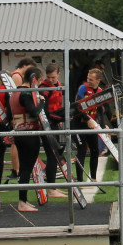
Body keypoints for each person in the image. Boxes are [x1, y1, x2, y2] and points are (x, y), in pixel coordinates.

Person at [8, 65, 43, 213]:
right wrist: (42, 101)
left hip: (19, 133)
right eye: (39, 81)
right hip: (28, 133)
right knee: (26, 169)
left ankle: (24, 200)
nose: (40, 84)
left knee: (24, 168)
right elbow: (34, 112)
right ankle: (22, 201)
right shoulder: (26, 94)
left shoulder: (14, 93)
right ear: (34, 79)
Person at [38, 62, 69, 198]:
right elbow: (44, 111)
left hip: (55, 122)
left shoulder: (58, 85)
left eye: (53, 77)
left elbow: (58, 104)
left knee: (55, 155)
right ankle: (51, 189)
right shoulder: (43, 88)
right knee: (52, 156)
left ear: (58, 75)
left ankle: (53, 186)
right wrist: (59, 118)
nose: (51, 80)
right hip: (46, 124)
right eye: (49, 77)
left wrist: (60, 119)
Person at [74, 67, 105, 182]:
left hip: (92, 124)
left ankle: (93, 178)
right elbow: (77, 106)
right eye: (88, 78)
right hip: (79, 123)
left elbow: (101, 110)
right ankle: (80, 180)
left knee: (95, 150)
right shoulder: (83, 88)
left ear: (98, 80)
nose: (89, 81)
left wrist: (102, 125)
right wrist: (87, 119)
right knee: (81, 150)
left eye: (91, 79)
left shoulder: (100, 91)